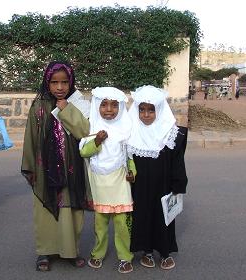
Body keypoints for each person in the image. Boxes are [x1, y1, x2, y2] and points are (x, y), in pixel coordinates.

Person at [21, 61, 92, 272]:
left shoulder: (78, 103)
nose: (59, 87)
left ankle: (70, 251)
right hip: (46, 167)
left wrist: (67, 110)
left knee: (71, 209)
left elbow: (85, 132)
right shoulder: (39, 105)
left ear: (71, 82)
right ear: (47, 82)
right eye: (54, 82)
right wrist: (32, 167)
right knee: (45, 210)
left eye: (64, 82)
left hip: (72, 167)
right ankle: (45, 251)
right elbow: (31, 138)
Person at [127, 85, 188, 270]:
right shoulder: (130, 132)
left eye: (151, 109)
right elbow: (125, 161)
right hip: (140, 187)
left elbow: (178, 163)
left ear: (160, 109)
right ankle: (146, 251)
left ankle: (165, 251)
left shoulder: (172, 135)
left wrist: (178, 185)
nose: (146, 114)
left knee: (164, 217)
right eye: (142, 109)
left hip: (163, 186)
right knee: (142, 216)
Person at [79, 87, 136, 274]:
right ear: (97, 106)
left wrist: (133, 172)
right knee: (100, 224)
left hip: (120, 182)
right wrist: (97, 141)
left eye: (114, 105)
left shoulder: (126, 129)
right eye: (104, 105)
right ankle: (97, 254)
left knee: (122, 224)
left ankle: (125, 257)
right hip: (99, 183)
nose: (109, 109)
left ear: (120, 107)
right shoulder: (92, 128)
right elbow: (84, 152)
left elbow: (129, 156)